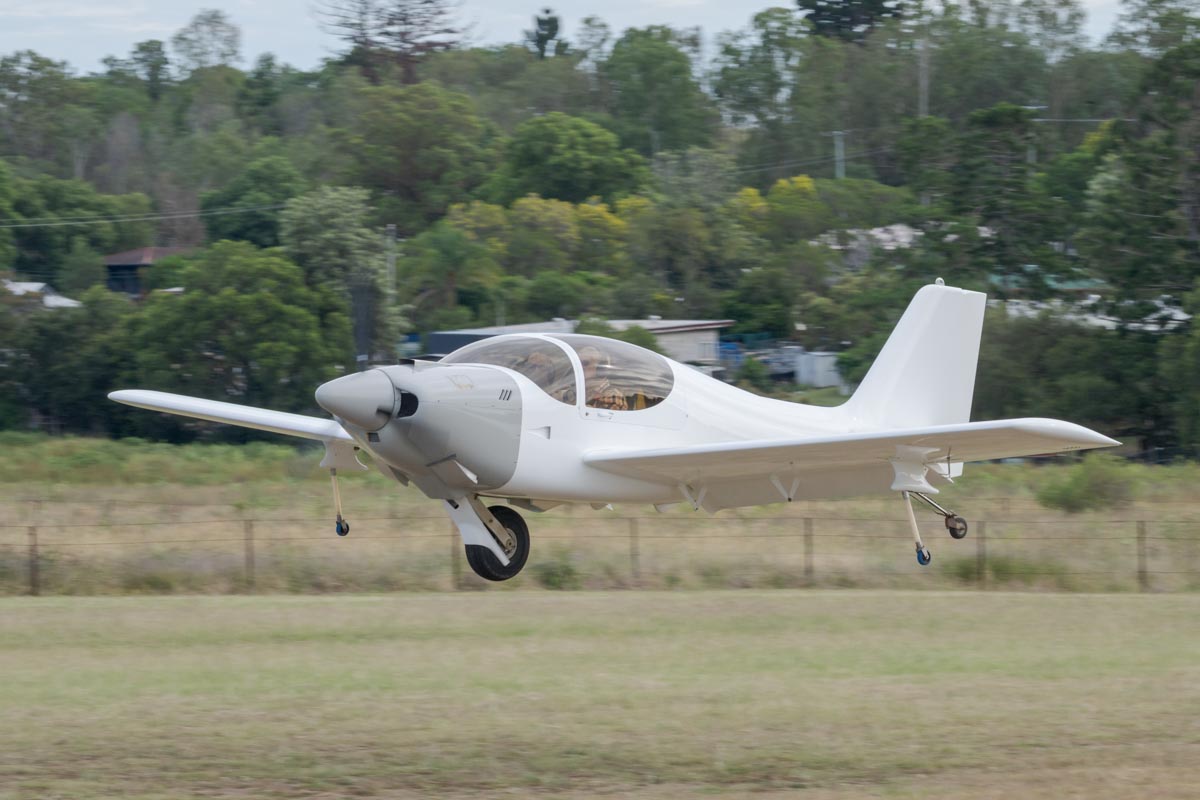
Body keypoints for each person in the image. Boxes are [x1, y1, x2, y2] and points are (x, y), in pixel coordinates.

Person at [578, 345, 628, 411]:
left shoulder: (614, 397)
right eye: (578, 362)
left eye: (584, 363)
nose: (579, 366)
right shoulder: (578, 388)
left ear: (600, 368)